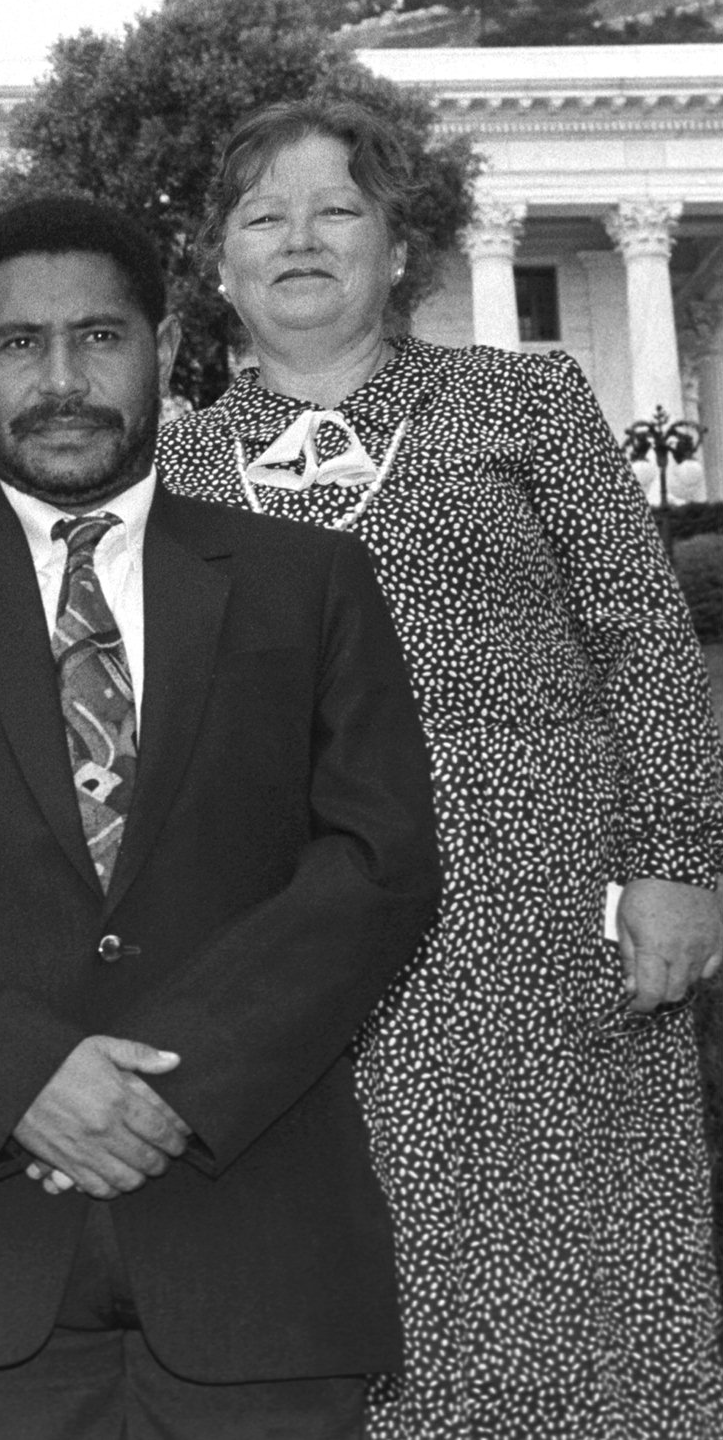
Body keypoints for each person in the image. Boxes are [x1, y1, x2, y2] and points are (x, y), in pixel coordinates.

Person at [0, 195, 442, 1439]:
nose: (62, 379)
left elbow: (378, 867)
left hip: (255, 1245)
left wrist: (172, 1082)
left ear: (166, 343)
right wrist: (23, 1076)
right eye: (20, 345)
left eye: (99, 337)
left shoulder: (307, 583)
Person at [155, 98, 723, 1436]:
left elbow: (641, 636)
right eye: (261, 217)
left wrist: (679, 870)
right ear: (218, 262)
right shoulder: (169, 467)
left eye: (333, 209)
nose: (299, 240)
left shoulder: (523, 399)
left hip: (551, 928)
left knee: (589, 1277)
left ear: (394, 246)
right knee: (363, 1283)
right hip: (308, 945)